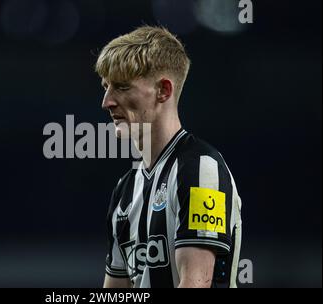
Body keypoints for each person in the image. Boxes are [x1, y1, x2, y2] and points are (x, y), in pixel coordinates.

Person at [95, 26, 242, 288]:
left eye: (121, 86)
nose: (107, 101)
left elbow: (196, 284)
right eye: (106, 87)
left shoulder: (200, 170)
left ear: (163, 90)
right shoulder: (124, 191)